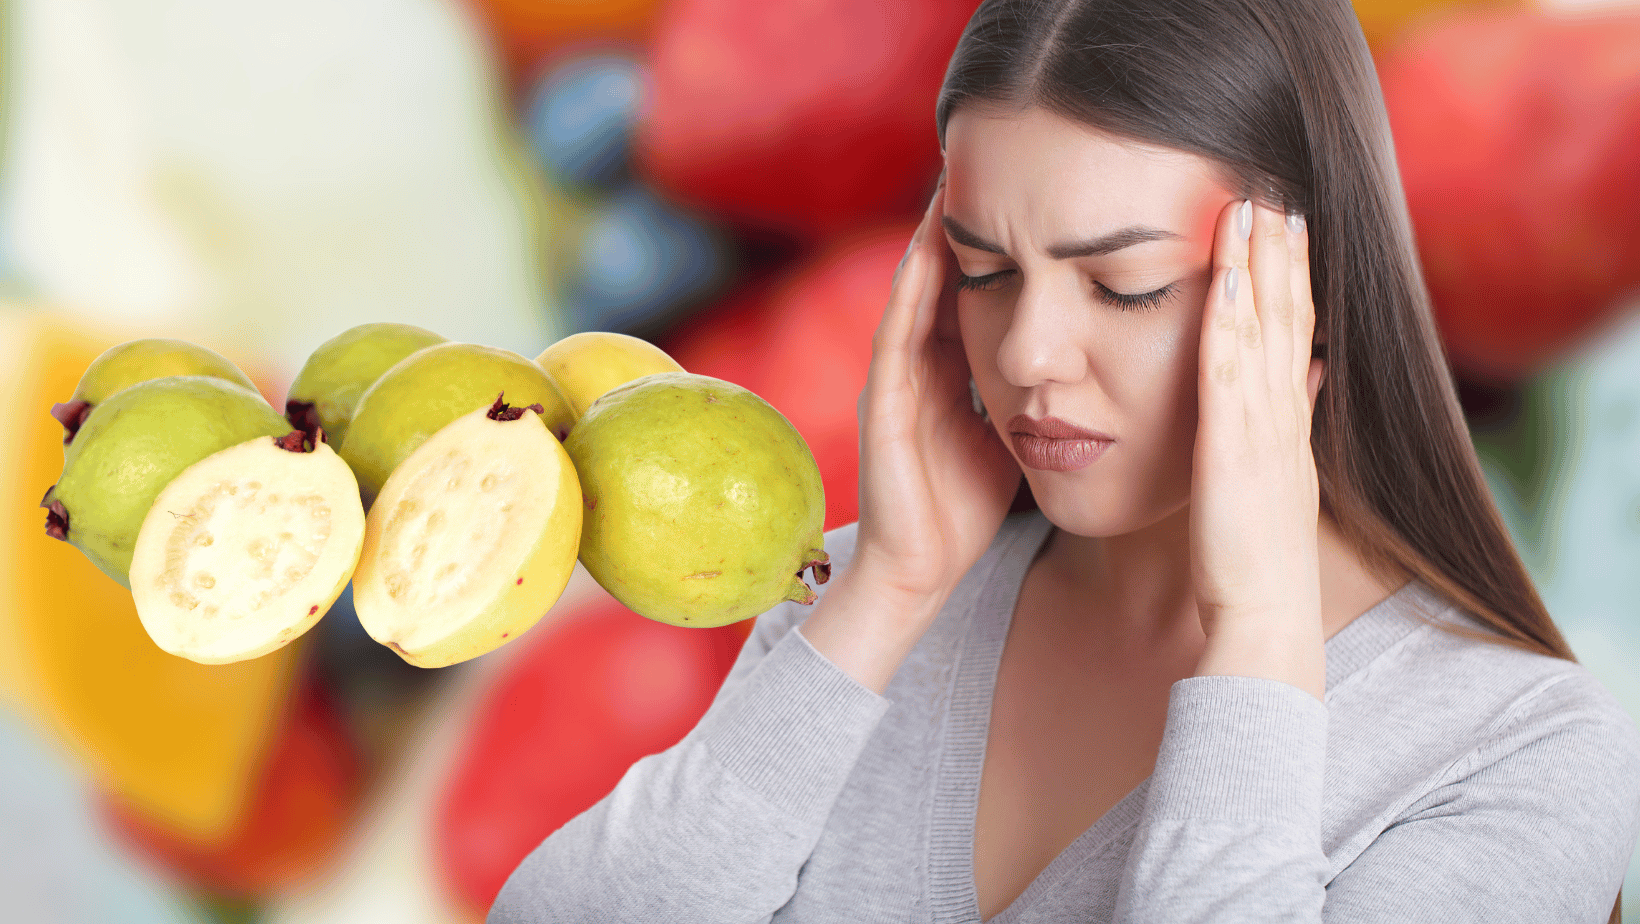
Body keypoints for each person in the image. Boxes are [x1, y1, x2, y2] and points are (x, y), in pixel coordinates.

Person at [487, 0, 1640, 920]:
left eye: (1120, 286)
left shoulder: (1521, 754)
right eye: (985, 272)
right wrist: (884, 597)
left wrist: (1257, 631)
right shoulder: (854, 607)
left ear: (1316, 296)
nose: (1028, 355)